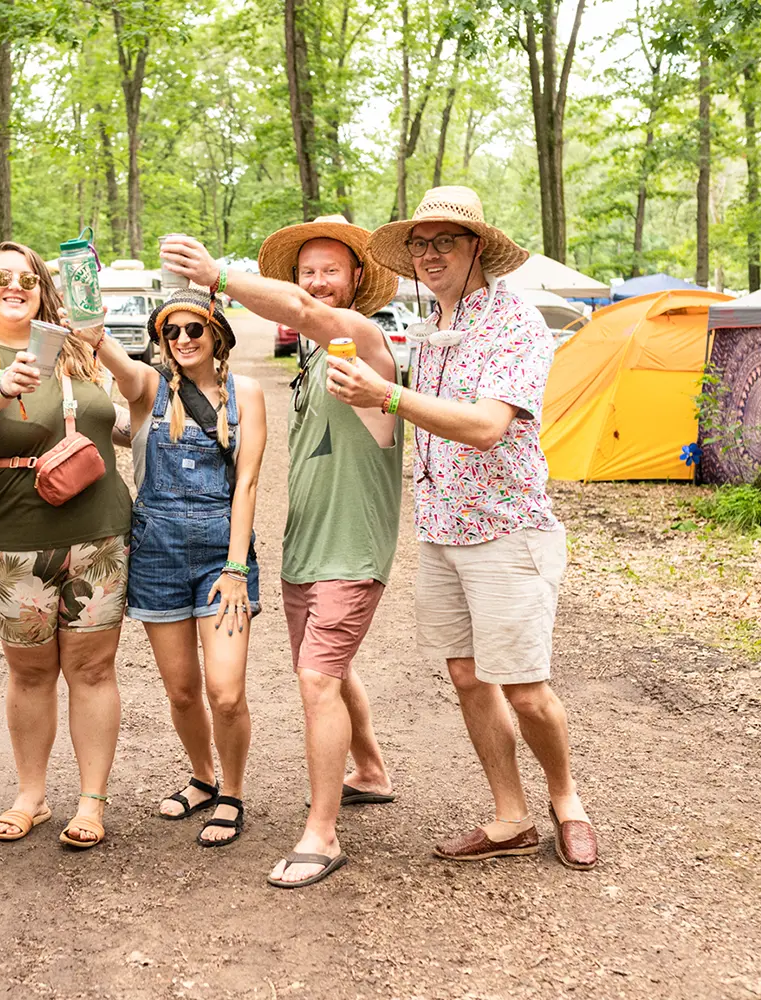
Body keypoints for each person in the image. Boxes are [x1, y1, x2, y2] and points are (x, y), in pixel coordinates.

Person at [326, 185, 598, 870]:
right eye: (418, 244)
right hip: (442, 528)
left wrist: (385, 392)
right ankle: (510, 815)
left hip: (507, 528)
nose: (427, 255)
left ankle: (566, 801)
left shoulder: (515, 324)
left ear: (476, 247)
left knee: (526, 687)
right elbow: (412, 425)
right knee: (466, 675)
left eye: (442, 241)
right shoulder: (431, 329)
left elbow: (484, 427)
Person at [161, 218, 403, 887]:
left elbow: (300, 312)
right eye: (307, 271)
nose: (317, 281)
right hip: (310, 548)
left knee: (318, 680)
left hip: (350, 552)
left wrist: (215, 276)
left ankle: (321, 836)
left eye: (331, 269)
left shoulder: (364, 338)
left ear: (357, 278)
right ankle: (371, 771)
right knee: (327, 666)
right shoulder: (318, 359)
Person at [0, 241, 132, 850]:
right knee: (29, 673)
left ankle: (91, 802)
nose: (15, 285)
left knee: (94, 667)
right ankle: (32, 794)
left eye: (28, 277)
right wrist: (4, 382)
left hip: (100, 533)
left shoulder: (78, 350)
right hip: (12, 540)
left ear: (44, 288)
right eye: (1, 278)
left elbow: (126, 412)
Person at [74, 286, 265, 847]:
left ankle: (232, 791)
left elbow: (247, 483)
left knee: (225, 690)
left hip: (220, 561)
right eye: (170, 332)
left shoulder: (246, 392)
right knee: (182, 691)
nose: (182, 340)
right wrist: (96, 336)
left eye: (194, 330)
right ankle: (203, 777)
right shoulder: (149, 389)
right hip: (156, 554)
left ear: (217, 335)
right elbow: (113, 359)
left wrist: (234, 567)